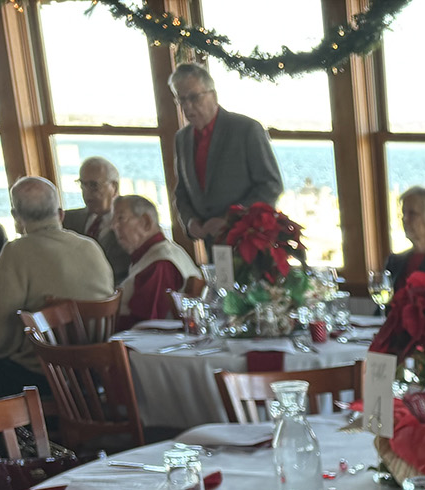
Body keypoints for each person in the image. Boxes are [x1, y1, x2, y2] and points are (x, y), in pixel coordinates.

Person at [0, 177, 115, 410]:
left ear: (16, 217)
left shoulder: (16, 252)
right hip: (95, 373)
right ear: (60, 213)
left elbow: (0, 325)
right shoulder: (90, 247)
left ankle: (6, 433)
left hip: (44, 375)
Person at [170, 62, 283, 244]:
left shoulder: (246, 129)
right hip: (209, 242)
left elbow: (271, 186)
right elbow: (182, 191)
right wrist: (190, 222)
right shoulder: (182, 139)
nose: (188, 106)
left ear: (213, 95)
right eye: (181, 99)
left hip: (248, 240)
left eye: (194, 97)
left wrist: (231, 220)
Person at [111, 194, 199, 330]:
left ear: (146, 222)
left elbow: (147, 322)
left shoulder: (160, 263)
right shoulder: (152, 254)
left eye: (120, 219)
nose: (113, 226)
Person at [61, 155, 132, 285]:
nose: (87, 192)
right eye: (82, 184)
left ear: (114, 187)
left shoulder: (131, 226)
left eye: (94, 185)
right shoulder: (67, 220)